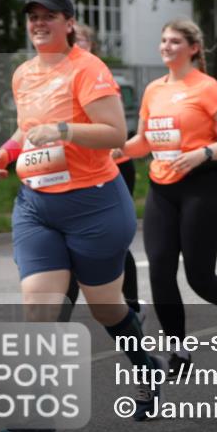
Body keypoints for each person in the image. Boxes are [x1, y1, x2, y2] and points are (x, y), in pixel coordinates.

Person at [0, 0, 166, 432]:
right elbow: (28, 125)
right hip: (36, 206)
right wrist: (8, 151)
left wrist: (64, 129)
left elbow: (114, 132)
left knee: (105, 307)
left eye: (49, 16)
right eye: (33, 17)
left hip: (95, 204)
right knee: (38, 308)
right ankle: (40, 417)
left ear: (69, 22)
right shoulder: (24, 73)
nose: (39, 24)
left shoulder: (88, 70)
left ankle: (147, 365)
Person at [117, 19, 217, 374]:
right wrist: (113, 151)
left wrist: (205, 153)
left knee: (200, 277)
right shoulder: (153, 90)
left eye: (174, 41)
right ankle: (179, 351)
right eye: (163, 40)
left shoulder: (206, 88)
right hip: (162, 188)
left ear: (193, 48)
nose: (166, 46)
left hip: (202, 186)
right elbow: (144, 141)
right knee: (160, 270)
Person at [59, 23, 144, 321]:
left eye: (81, 39)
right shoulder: (57, 78)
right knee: (67, 245)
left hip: (113, 168)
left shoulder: (97, 74)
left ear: (92, 45)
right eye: (73, 39)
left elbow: (113, 123)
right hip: (73, 172)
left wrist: (115, 143)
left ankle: (131, 304)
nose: (75, 43)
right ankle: (60, 316)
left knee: (114, 241)